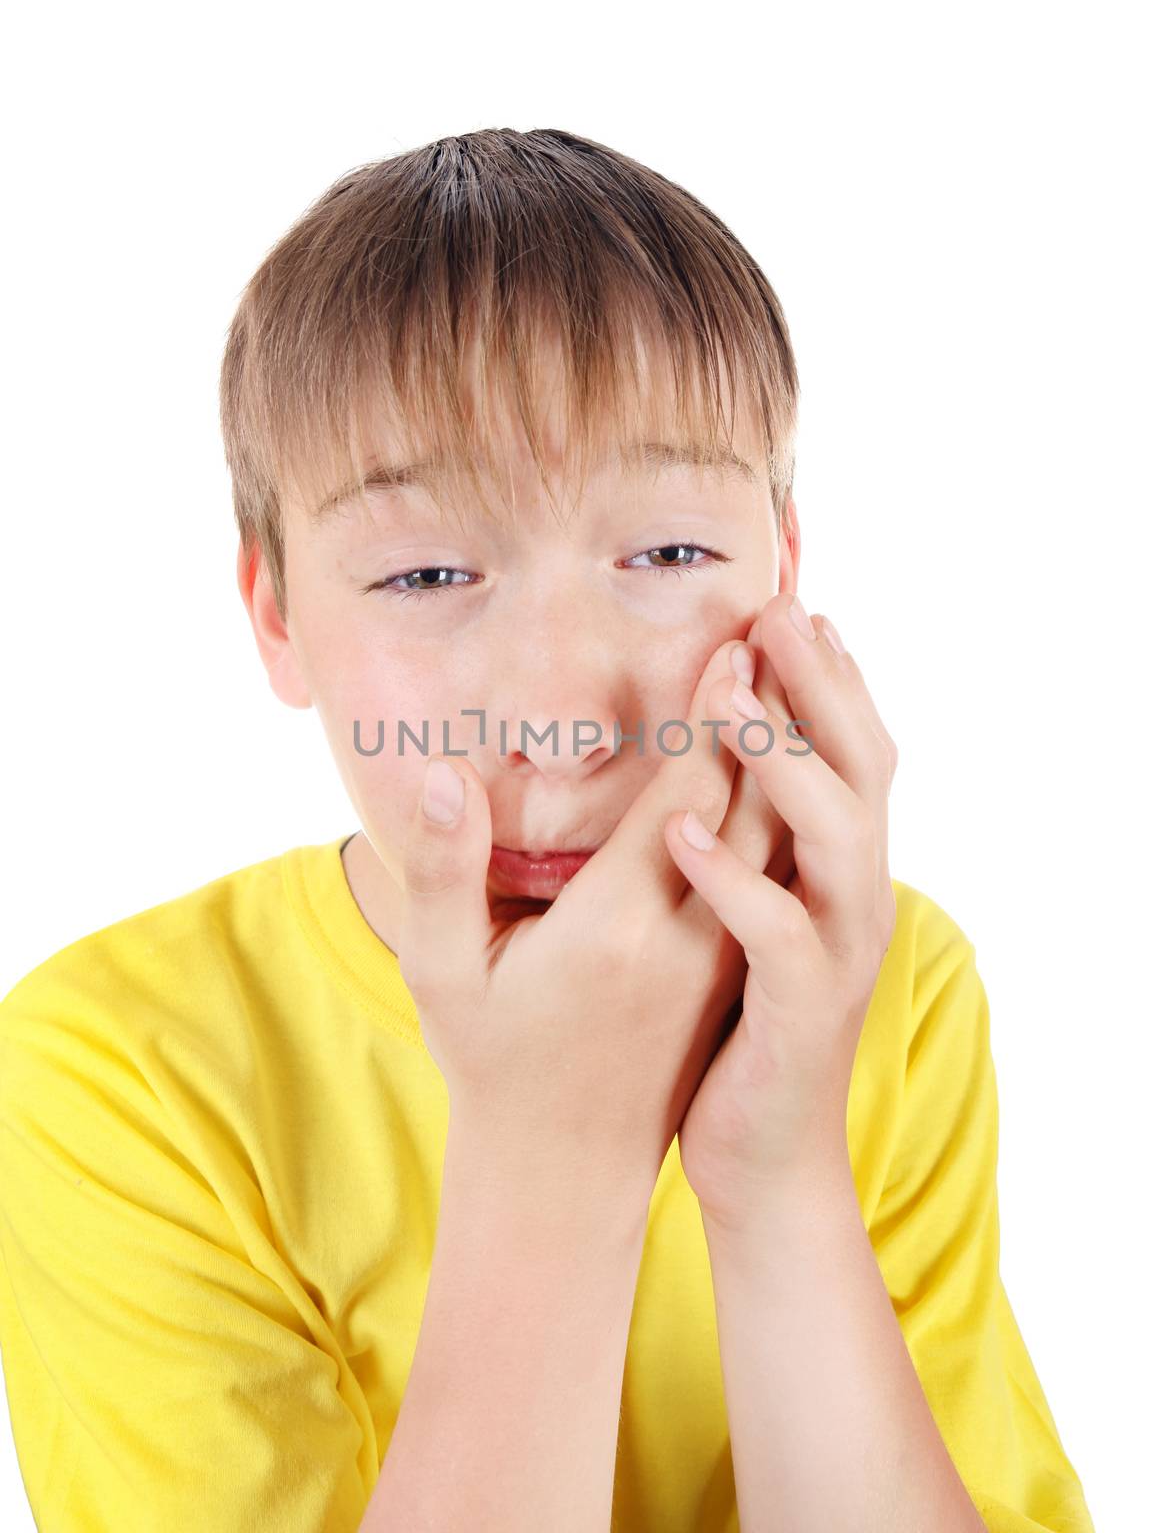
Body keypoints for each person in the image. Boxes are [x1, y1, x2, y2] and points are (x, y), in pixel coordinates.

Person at [0, 127, 1095, 1532]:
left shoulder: (881, 984)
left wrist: (779, 1183)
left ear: (785, 571)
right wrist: (549, 1156)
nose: (566, 721)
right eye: (430, 570)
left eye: (669, 554)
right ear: (277, 617)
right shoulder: (121, 1065)